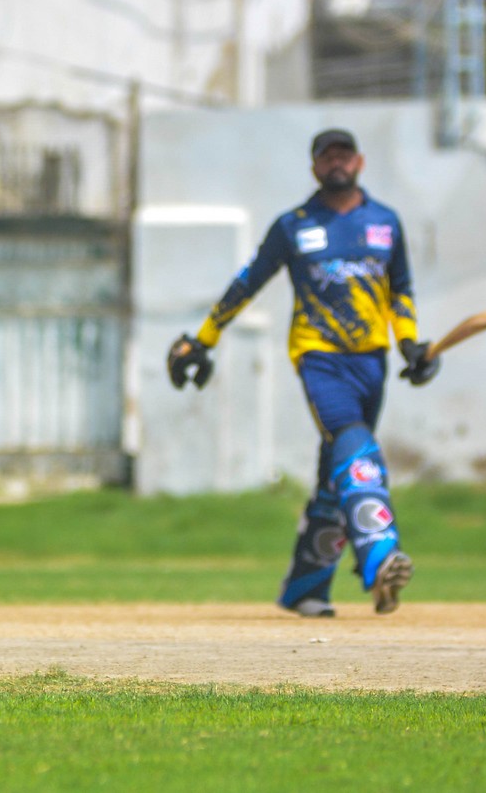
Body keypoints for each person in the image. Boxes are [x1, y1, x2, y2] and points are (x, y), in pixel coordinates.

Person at [166, 128, 437, 617]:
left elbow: (401, 290)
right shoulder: (293, 225)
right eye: (327, 156)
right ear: (314, 167)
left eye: (344, 155)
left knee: (338, 470)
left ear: (360, 162)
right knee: (355, 444)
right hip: (319, 358)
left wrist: (410, 345)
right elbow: (247, 283)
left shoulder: (385, 222)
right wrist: (203, 339)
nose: (337, 163)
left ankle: (305, 588)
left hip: (371, 361)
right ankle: (379, 554)